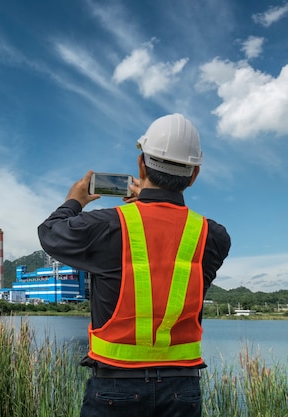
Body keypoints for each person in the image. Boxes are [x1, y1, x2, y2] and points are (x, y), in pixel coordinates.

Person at [37, 113, 231, 417]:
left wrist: (75, 200)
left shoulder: (109, 225)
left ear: (141, 165)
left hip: (115, 389)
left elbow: (50, 233)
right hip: (183, 391)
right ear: (194, 174)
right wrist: (153, 199)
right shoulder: (214, 237)